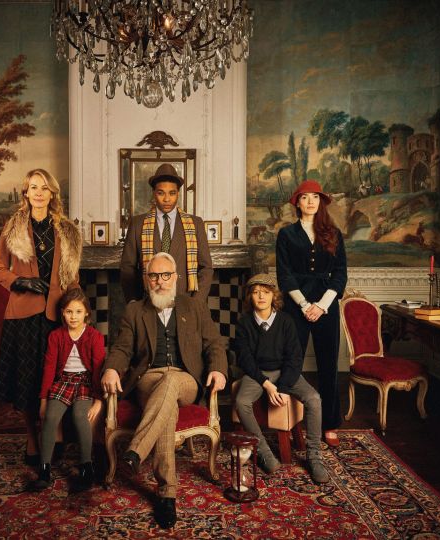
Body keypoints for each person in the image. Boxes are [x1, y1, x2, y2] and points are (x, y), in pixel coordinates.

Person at [101, 252, 227, 529]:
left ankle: (136, 450)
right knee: (166, 408)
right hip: (148, 378)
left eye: (166, 275)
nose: (160, 281)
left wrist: (218, 369)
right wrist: (111, 369)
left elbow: (215, 344)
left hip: (185, 379)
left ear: (176, 277)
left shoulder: (194, 306)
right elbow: (122, 349)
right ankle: (167, 494)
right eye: (154, 276)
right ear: (146, 279)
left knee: (171, 382)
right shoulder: (135, 310)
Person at [0, 168, 83, 482]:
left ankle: (55, 433)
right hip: (23, 317)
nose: (39, 193)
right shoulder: (13, 227)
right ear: (26, 193)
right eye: (34, 187)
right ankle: (32, 438)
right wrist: (21, 281)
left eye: (45, 187)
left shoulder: (67, 231)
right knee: (27, 381)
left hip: (56, 315)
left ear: (52, 193)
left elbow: (73, 278)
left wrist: (77, 310)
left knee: (57, 378)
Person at [233, 273, 329, 484]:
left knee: (314, 398)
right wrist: (266, 384)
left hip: (285, 372)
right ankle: (264, 452)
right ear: (250, 297)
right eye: (256, 292)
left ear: (273, 296)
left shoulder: (286, 321)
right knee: (241, 401)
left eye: (265, 292)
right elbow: (245, 359)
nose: (261, 297)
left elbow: (294, 358)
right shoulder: (244, 323)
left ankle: (314, 455)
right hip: (257, 374)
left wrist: (283, 388)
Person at [276, 180, 347, 448]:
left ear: (321, 202)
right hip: (296, 305)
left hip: (327, 305)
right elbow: (285, 275)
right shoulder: (286, 234)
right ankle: (289, 421)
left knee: (329, 365)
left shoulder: (334, 234)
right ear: (297, 202)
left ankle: (329, 423)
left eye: (315, 197)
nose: (310, 202)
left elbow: (340, 274)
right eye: (305, 197)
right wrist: (305, 305)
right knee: (291, 363)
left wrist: (322, 305)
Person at [29, 288, 105, 493]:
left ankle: (86, 467)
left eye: (78, 312)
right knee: (50, 417)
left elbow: (98, 370)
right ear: (63, 313)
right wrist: (43, 400)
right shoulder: (56, 336)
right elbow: (49, 369)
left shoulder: (95, 336)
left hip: (85, 382)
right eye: (69, 311)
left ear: (86, 313)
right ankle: (44, 469)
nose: (73, 316)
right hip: (63, 381)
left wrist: (98, 400)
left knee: (81, 416)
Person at [120, 163, 213, 304]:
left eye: (172, 193)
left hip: (186, 301)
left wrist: (197, 302)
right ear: (154, 193)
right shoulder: (138, 224)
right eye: (161, 193)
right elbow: (127, 268)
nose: (167, 199)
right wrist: (134, 302)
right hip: (149, 302)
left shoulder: (195, 224)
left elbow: (206, 268)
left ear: (178, 193)